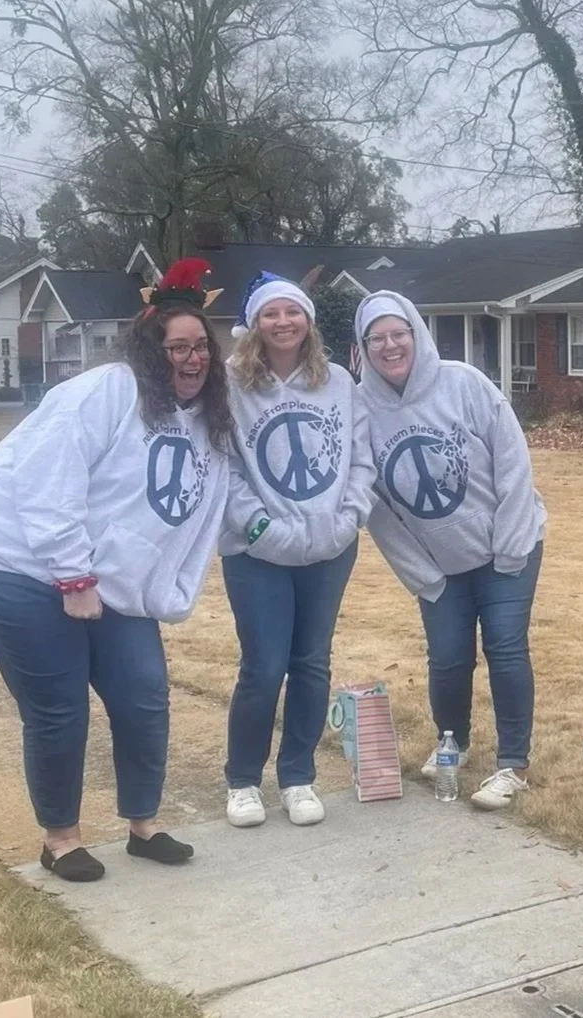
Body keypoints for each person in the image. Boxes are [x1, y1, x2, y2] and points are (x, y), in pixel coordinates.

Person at [0, 259, 231, 881]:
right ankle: (61, 838)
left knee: (142, 693)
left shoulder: (210, 417)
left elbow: (190, 511)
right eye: (176, 346)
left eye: (201, 346)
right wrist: (73, 577)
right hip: (8, 560)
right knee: (59, 703)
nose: (192, 358)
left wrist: (163, 587)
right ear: (150, 349)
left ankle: (143, 826)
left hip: (101, 577)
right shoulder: (104, 392)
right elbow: (50, 485)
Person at [355, 290, 547, 810]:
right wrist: (423, 574)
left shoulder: (464, 384)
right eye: (378, 338)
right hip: (440, 567)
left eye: (399, 334)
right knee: (447, 658)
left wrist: (510, 546)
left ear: (416, 333)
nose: (390, 346)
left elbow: (512, 462)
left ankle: (513, 764)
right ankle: (452, 745)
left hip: (507, 548)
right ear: (364, 347)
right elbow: (375, 508)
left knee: (505, 649)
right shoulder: (362, 411)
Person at [220, 272, 377, 828]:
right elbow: (225, 465)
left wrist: (350, 515)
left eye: (293, 312)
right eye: (271, 313)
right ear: (254, 325)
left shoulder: (336, 381)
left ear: (308, 321)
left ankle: (297, 775)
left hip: (329, 547)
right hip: (257, 551)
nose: (283, 322)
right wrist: (259, 527)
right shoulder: (232, 385)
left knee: (311, 663)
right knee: (263, 667)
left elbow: (361, 456)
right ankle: (242, 780)